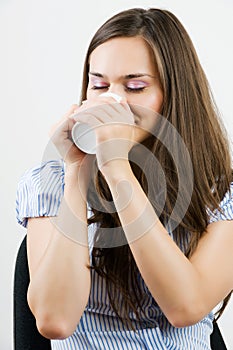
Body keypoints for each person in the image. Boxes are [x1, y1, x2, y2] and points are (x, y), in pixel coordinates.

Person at [16, 7, 233, 350]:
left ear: (173, 96)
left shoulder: (217, 192)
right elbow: (54, 320)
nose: (110, 100)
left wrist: (118, 169)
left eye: (134, 87)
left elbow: (185, 307)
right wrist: (77, 174)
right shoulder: (50, 184)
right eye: (98, 84)